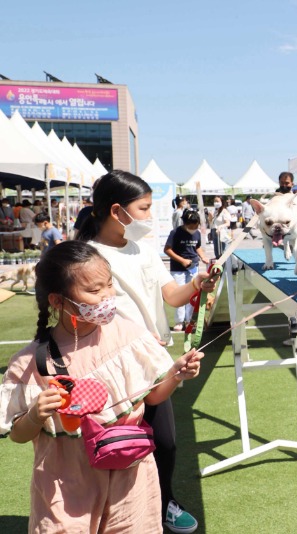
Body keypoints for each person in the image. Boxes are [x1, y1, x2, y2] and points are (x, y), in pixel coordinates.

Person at [0, 240, 203, 532]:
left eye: (109, 285)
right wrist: (35, 414)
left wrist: (176, 373)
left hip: (131, 479)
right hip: (65, 488)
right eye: (95, 290)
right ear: (57, 301)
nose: (107, 296)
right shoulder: (29, 362)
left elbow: (154, 396)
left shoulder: (129, 334)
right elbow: (18, 434)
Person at [77, 170, 217, 533]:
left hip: (152, 361)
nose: (149, 216)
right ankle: (105, 513)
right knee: (111, 444)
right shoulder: (85, 255)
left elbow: (171, 295)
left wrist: (199, 283)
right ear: (117, 210)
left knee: (164, 442)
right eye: (144, 208)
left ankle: (162, 502)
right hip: (107, 364)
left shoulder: (144, 250)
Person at [165, 209, 210, 332]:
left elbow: (197, 246)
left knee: (193, 295)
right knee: (180, 294)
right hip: (178, 270)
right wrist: (182, 260)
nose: (194, 229)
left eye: (196, 226)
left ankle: (191, 320)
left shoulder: (197, 233)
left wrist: (203, 257)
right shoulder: (175, 233)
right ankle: (179, 321)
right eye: (191, 226)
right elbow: (167, 250)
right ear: (184, 223)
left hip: (193, 268)